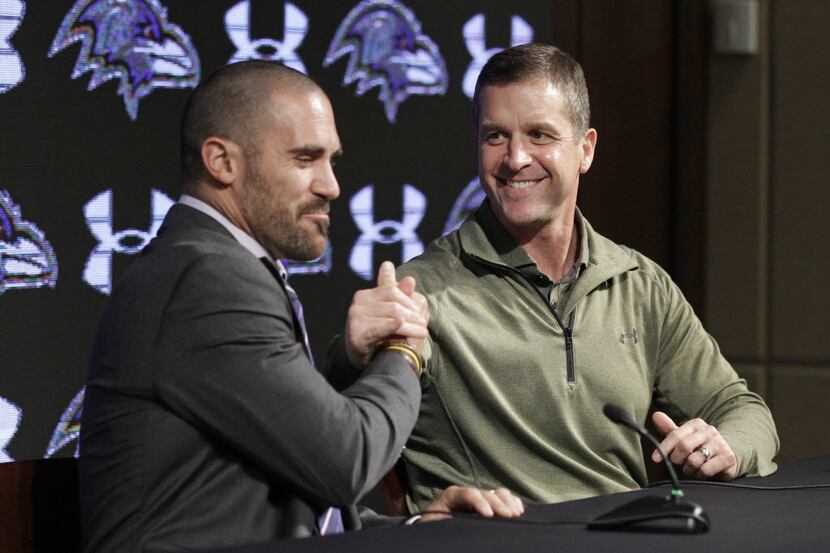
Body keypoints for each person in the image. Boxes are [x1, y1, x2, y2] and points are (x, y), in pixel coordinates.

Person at [79, 61, 522, 553]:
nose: (331, 186)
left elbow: (289, 498)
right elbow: (345, 462)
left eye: (332, 160)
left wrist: (417, 527)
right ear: (222, 162)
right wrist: (403, 351)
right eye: (305, 158)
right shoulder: (204, 280)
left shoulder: (219, 269)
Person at [373, 43, 779, 512]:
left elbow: (745, 412)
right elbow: (341, 432)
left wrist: (724, 447)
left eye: (540, 135)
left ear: (585, 150)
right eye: (495, 137)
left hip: (629, 541)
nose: (516, 157)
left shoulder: (639, 283)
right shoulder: (419, 293)